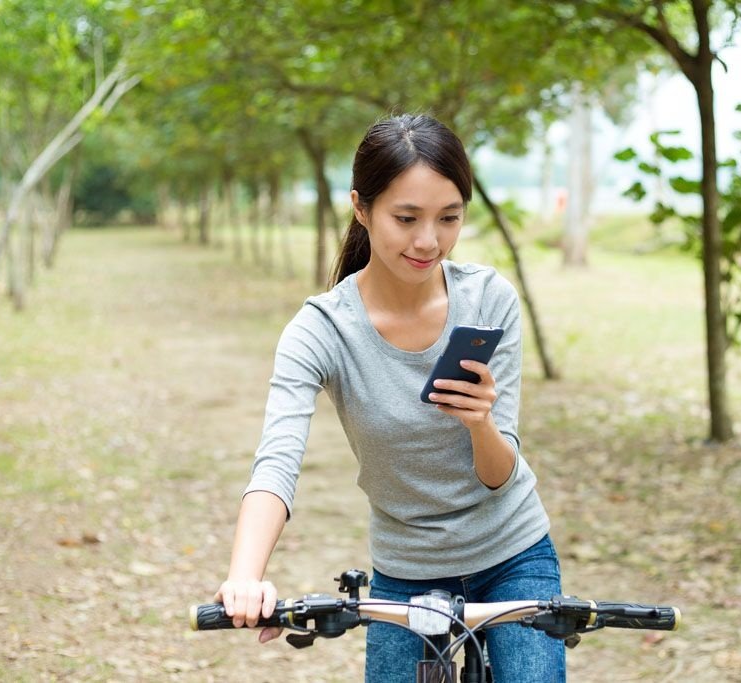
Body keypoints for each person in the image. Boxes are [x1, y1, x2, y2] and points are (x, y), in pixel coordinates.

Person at [214, 113, 565, 682]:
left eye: (449, 218)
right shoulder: (321, 330)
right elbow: (276, 464)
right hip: (407, 571)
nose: (429, 241)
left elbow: (500, 474)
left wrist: (481, 423)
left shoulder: (490, 299)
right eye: (406, 218)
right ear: (361, 207)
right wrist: (245, 575)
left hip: (513, 558)